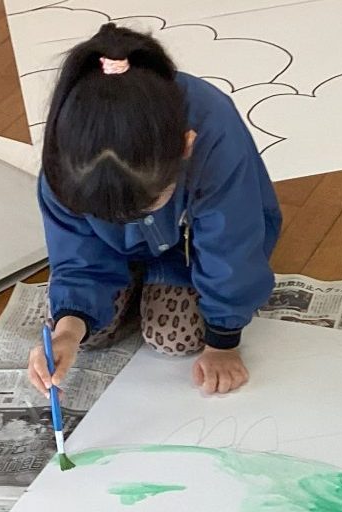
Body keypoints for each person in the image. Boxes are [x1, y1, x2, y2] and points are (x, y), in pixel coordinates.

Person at [26, 24, 282, 396]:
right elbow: (74, 250)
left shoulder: (212, 128)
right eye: (108, 213)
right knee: (85, 333)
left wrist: (223, 343)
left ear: (185, 147)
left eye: (144, 206)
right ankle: (117, 285)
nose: (128, 218)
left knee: (175, 338)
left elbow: (232, 240)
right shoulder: (66, 156)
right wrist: (68, 330)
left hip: (184, 249)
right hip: (108, 249)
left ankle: (151, 278)